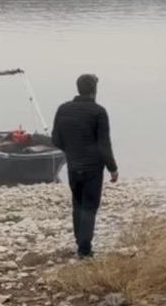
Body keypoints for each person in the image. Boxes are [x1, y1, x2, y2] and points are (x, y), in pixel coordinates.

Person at [52, 74, 118, 258]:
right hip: (93, 168)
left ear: (78, 88)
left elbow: (56, 139)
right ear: (94, 90)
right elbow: (104, 145)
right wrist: (112, 168)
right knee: (89, 207)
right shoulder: (98, 112)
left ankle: (80, 243)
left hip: (73, 166)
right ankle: (84, 249)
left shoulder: (63, 109)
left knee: (78, 205)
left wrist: (72, 151)